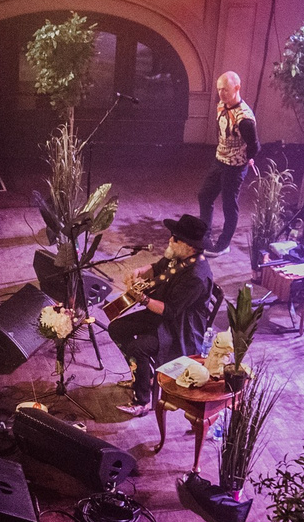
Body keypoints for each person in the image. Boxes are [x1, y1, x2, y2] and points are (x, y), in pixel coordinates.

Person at [109, 215, 216, 414]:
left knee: (137, 347)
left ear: (190, 246)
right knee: (116, 328)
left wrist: (143, 300)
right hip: (163, 320)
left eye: (175, 238)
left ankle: (143, 401)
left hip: (179, 331)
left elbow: (170, 311)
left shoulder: (196, 276)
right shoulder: (180, 257)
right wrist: (140, 271)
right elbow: (158, 268)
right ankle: (143, 376)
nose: (170, 240)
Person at [194, 72, 258, 255]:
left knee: (229, 205)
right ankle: (204, 236)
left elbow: (255, 145)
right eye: (219, 89)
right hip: (220, 160)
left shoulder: (244, 118)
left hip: (235, 166)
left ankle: (223, 243)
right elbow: (220, 130)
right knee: (204, 195)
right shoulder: (222, 105)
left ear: (237, 88)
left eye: (226, 90)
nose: (221, 93)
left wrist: (246, 159)